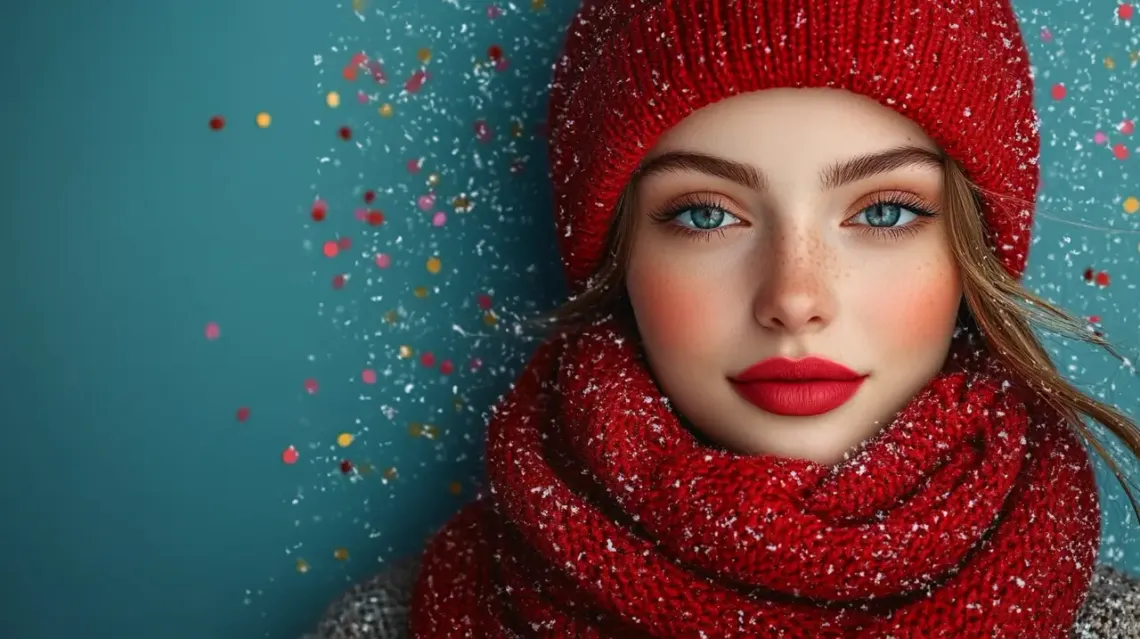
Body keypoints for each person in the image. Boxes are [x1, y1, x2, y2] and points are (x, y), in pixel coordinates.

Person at [309, 0, 1140, 636]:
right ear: (618, 256)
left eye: (885, 212)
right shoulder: (387, 624)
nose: (794, 296)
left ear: (974, 252)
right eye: (706, 214)